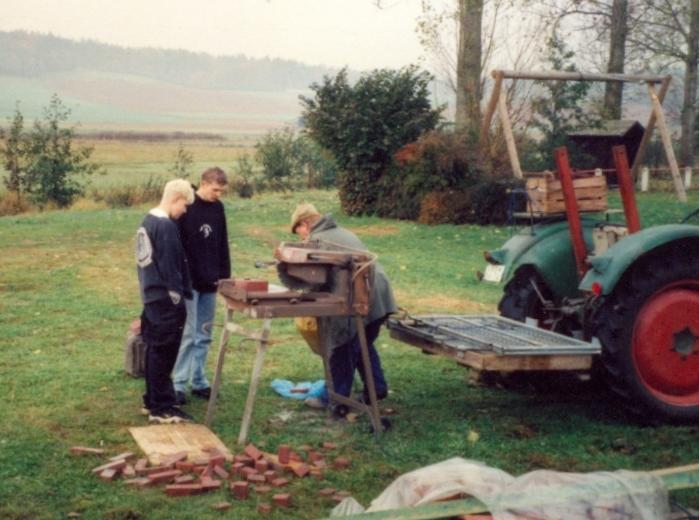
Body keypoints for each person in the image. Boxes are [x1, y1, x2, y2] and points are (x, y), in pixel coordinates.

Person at [289, 203, 398, 415]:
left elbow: (317, 279)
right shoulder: (341, 232)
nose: (300, 235)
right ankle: (376, 389)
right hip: (380, 293)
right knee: (362, 343)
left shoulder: (318, 240)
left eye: (298, 230)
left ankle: (335, 399)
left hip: (363, 295)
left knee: (342, 346)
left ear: (305, 223)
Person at [135, 178, 194, 424]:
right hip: (165, 300)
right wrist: (178, 299)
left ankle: (153, 400)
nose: (185, 210)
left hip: (150, 296)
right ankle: (163, 407)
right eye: (185, 204)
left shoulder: (147, 220)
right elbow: (170, 267)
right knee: (165, 352)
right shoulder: (166, 226)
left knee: (154, 350)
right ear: (175, 199)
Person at [172, 167, 231, 405]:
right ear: (203, 184)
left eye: (222, 191)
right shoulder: (187, 206)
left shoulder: (218, 208)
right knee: (188, 334)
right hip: (189, 281)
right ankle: (178, 384)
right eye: (215, 190)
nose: (218, 194)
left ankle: (199, 381)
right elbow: (177, 245)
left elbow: (222, 243)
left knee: (204, 333)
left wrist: (224, 276)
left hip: (210, 281)